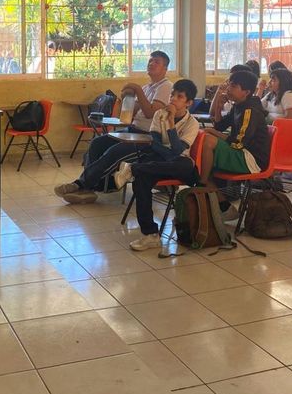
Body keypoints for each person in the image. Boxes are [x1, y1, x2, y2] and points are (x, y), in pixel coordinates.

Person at [53, 51, 173, 204]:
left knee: (114, 152)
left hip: (148, 139)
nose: (151, 63)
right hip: (133, 132)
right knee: (98, 143)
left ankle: (81, 185)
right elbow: (129, 115)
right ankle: (91, 187)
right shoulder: (148, 87)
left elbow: (150, 113)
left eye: (156, 62)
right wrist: (126, 97)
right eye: (150, 61)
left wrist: (137, 90)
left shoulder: (165, 86)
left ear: (165, 68)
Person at [111, 79, 200, 251]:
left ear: (188, 103)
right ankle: (151, 234)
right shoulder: (159, 114)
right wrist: (168, 153)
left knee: (185, 165)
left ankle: (131, 168)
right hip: (159, 160)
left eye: (179, 97)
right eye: (172, 94)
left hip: (179, 165)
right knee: (141, 179)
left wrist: (172, 120)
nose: (173, 99)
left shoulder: (192, 123)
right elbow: (155, 143)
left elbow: (177, 150)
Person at [199, 70, 270, 216]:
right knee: (202, 139)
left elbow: (238, 142)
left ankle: (202, 183)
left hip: (252, 160)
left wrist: (213, 133)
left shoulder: (250, 110)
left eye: (234, 86)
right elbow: (219, 126)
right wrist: (219, 106)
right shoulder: (239, 105)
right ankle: (222, 205)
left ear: (246, 92)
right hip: (241, 152)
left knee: (207, 140)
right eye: (229, 85)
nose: (228, 89)